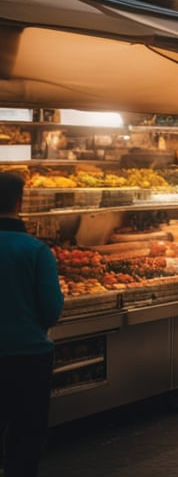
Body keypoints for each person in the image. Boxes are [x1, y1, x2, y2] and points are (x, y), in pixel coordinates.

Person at [0, 172, 63, 477]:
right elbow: (52, 311)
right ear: (19, 202)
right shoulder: (36, 251)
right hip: (29, 357)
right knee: (26, 438)